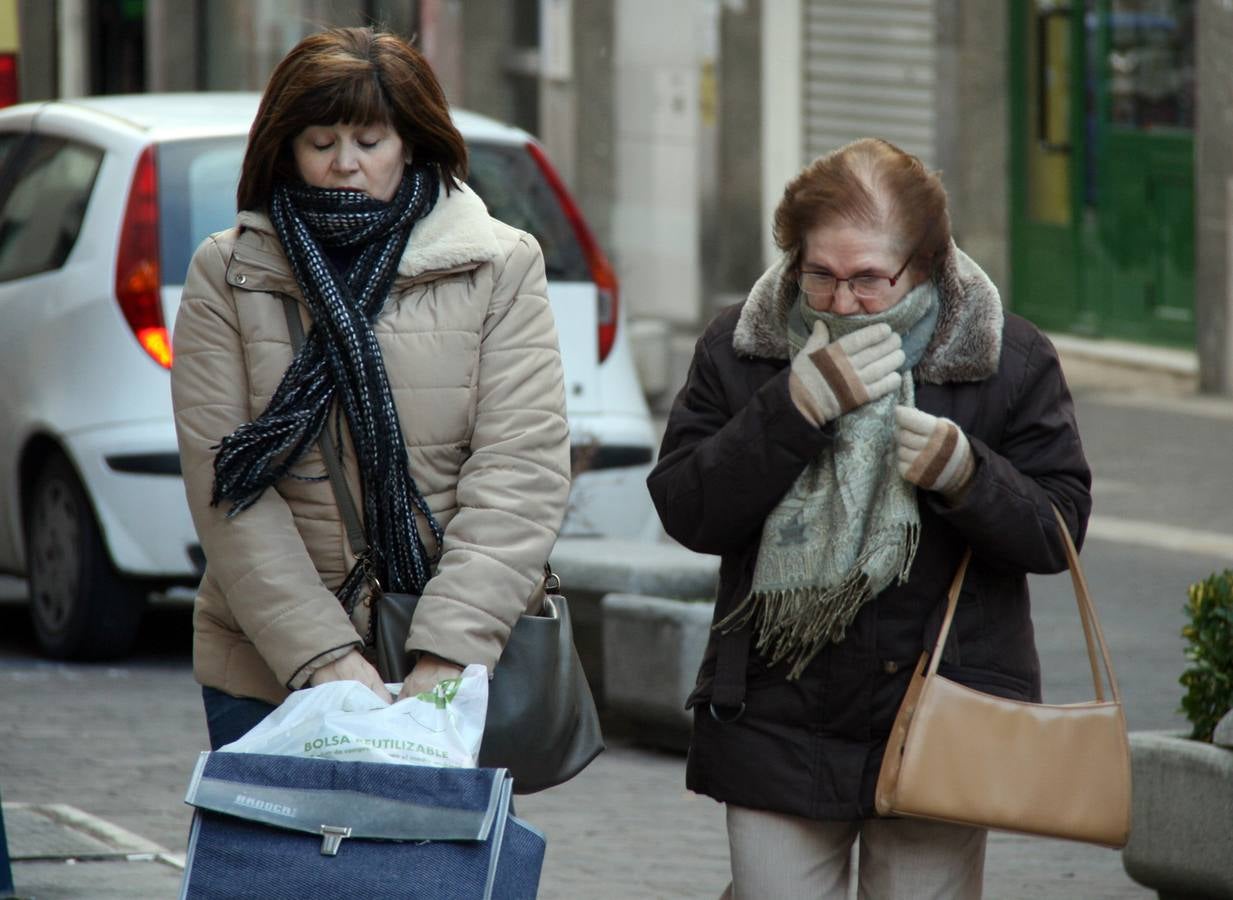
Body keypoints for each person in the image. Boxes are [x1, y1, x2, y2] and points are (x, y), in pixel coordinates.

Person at [646, 138, 1091, 899]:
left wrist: (967, 475)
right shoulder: (742, 348)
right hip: (776, 711)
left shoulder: (1005, 357)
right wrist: (790, 412)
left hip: (942, 713)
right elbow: (686, 510)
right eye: (819, 274)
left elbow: (1059, 530)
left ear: (924, 265)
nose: (841, 302)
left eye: (867, 280)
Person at [171, 26, 570, 751]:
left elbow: (521, 470)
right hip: (268, 671)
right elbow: (223, 485)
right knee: (279, 835)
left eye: (368, 140)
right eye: (321, 142)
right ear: (286, 148)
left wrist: (446, 653)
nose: (344, 164)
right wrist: (324, 658)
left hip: (446, 668)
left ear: (410, 142)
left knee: (439, 835)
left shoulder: (499, 265)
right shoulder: (229, 273)